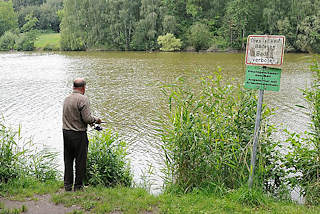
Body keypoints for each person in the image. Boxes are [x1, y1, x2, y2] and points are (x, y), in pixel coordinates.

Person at [62, 78, 101, 191]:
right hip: (78, 135)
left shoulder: (67, 99)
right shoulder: (83, 99)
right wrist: (97, 120)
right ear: (83, 88)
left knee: (68, 160)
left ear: (74, 87)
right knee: (80, 161)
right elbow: (87, 118)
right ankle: (78, 186)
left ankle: (67, 185)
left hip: (66, 133)